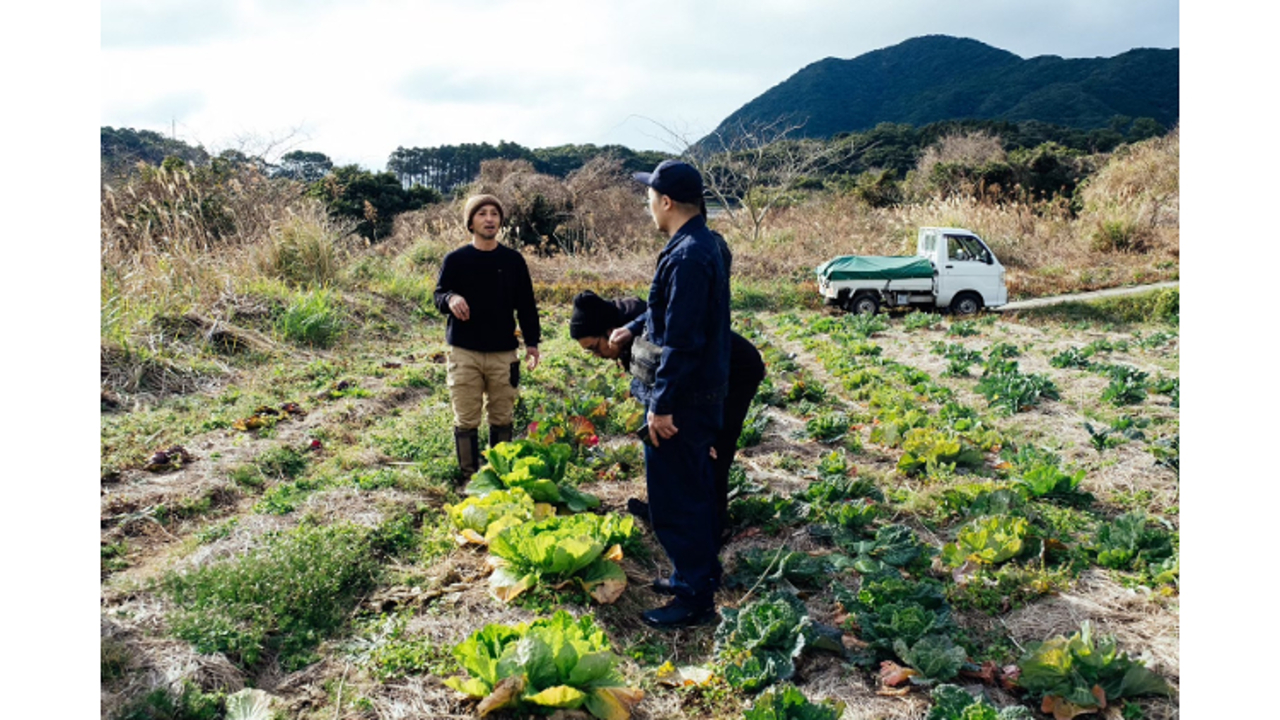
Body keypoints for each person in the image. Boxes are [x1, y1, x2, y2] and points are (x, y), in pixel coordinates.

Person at [607, 160, 731, 629]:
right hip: (698, 395)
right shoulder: (704, 244)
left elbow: (683, 341)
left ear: (666, 201)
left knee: (677, 498)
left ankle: (694, 597)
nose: (647, 206)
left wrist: (661, 405)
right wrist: (635, 324)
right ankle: (694, 574)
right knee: (693, 488)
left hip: (684, 401)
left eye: (648, 197)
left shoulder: (688, 256)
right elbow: (674, 315)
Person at [569, 291, 765, 554]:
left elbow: (680, 378)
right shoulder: (630, 331)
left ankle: (714, 527)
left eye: (594, 347)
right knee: (668, 441)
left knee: (715, 448)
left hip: (735, 373)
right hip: (699, 378)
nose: (596, 355)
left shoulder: (649, 336)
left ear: (610, 331)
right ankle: (667, 511)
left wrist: (703, 428)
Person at [433, 194, 542, 482]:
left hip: (503, 353)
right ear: (471, 222)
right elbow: (439, 294)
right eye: (482, 214)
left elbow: (527, 305)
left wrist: (532, 343)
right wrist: (451, 298)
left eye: (495, 213)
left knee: (502, 417)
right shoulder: (455, 260)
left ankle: (500, 475)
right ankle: (470, 478)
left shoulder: (513, 261)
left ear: (501, 222)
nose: (490, 218)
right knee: (467, 418)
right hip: (464, 352)